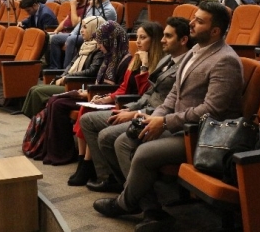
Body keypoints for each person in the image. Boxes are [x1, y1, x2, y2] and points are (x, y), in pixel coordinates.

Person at [92, 0, 243, 231]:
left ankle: (125, 203)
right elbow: (174, 94)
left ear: (215, 31)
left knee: (140, 150)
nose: (191, 23)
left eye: (199, 21)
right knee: (115, 139)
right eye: (194, 17)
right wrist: (155, 117)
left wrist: (163, 122)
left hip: (203, 136)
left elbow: (212, 110)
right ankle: (151, 209)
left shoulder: (225, 60)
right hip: (178, 124)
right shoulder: (195, 50)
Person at [82, 17, 193, 193]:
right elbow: (149, 93)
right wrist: (131, 108)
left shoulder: (186, 65)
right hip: (141, 108)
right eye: (163, 35)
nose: (163, 40)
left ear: (183, 40)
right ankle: (111, 178)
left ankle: (131, 191)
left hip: (155, 116)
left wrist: (136, 113)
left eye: (168, 36)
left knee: (109, 136)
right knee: (87, 119)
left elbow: (168, 103)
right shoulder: (167, 61)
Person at [66, 22, 165, 185]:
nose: (138, 41)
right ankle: (86, 164)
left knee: (88, 117)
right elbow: (123, 87)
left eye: (143, 37)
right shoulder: (135, 59)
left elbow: (145, 94)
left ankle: (95, 170)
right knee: (85, 108)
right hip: (124, 101)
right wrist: (107, 98)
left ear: (154, 40)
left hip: (133, 105)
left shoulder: (157, 63)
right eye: (137, 37)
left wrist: (145, 68)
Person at [35, 21, 132, 166]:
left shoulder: (125, 60)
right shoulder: (108, 56)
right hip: (95, 94)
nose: (99, 46)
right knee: (54, 101)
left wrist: (89, 93)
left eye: (101, 42)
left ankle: (64, 154)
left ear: (110, 41)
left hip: (104, 98)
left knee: (59, 104)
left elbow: (119, 88)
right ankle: (50, 150)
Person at [20, 16, 107, 118]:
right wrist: (62, 76)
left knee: (37, 92)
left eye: (85, 27)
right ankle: (38, 124)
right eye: (81, 27)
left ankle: (38, 124)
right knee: (33, 89)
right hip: (70, 81)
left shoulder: (100, 49)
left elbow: (92, 71)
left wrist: (67, 77)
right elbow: (71, 64)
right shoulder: (85, 45)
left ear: (94, 29)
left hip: (78, 85)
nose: (81, 31)